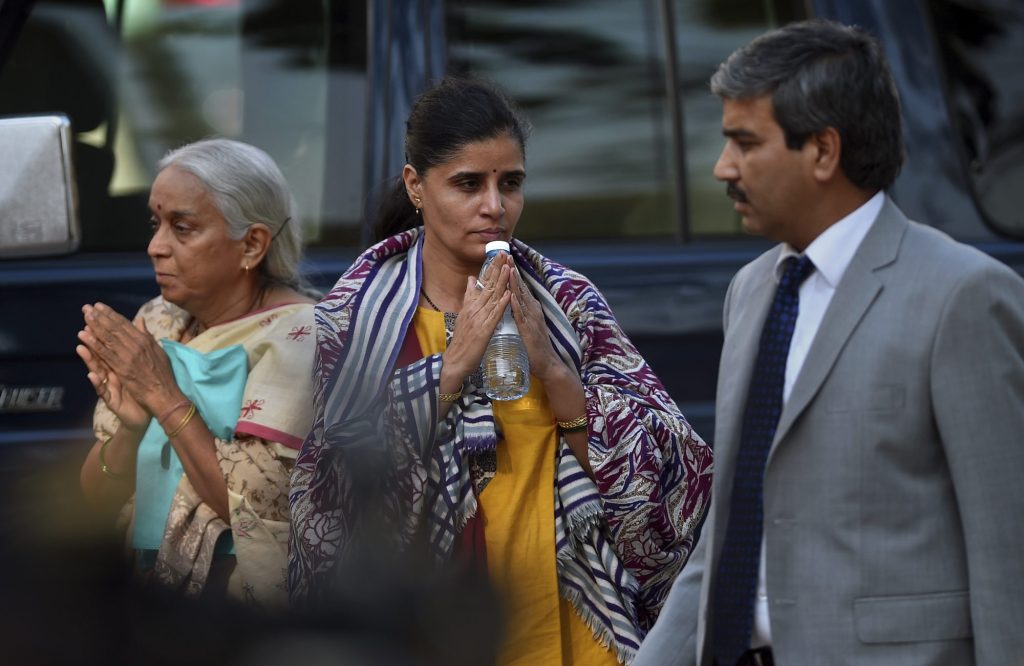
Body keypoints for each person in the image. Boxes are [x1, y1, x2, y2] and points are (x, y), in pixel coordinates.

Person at [634, 18, 1024, 666]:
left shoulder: (963, 297)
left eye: (744, 142)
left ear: (822, 151)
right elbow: (728, 534)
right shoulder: (751, 290)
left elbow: (1008, 553)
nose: (722, 167)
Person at [288, 76, 713, 664]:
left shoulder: (567, 304)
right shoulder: (356, 318)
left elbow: (673, 482)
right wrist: (450, 369)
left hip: (575, 631)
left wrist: (557, 374)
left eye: (510, 183)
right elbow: (330, 502)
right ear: (415, 185)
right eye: (468, 184)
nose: (495, 206)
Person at [77, 138, 318, 606]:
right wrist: (129, 431)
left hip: (233, 616)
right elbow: (95, 499)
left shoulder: (302, 338)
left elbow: (258, 513)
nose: (155, 247)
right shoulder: (158, 321)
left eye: (182, 228)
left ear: (252, 244)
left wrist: (164, 397)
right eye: (156, 224)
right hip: (145, 606)